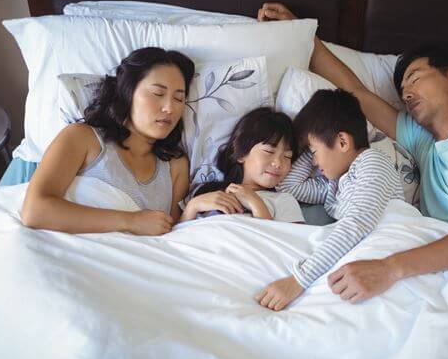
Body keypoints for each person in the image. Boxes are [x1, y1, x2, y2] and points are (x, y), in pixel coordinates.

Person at [257, 3, 448, 304]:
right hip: (444, 271)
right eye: (402, 89)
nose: (406, 93)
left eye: (415, 78)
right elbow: (355, 92)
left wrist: (389, 269)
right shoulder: (423, 143)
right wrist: (301, 33)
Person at [255, 89, 404, 310]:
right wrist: (312, 144)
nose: (314, 162)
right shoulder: (333, 187)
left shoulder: (373, 162)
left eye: (314, 152)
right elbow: (287, 186)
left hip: (392, 249)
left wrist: (298, 280)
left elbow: (356, 224)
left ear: (342, 142)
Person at [21, 47, 194, 235]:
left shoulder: (175, 166)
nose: (170, 108)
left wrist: (192, 208)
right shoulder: (82, 138)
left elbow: (173, 237)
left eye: (179, 99)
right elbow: (34, 211)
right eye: (158, 93)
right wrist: (130, 221)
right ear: (128, 92)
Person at [180, 107, 304, 223]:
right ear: (241, 154)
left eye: (287, 156)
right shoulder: (205, 191)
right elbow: (178, 235)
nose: (278, 163)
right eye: (269, 151)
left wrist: (256, 204)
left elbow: (290, 239)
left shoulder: (284, 201)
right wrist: (192, 206)